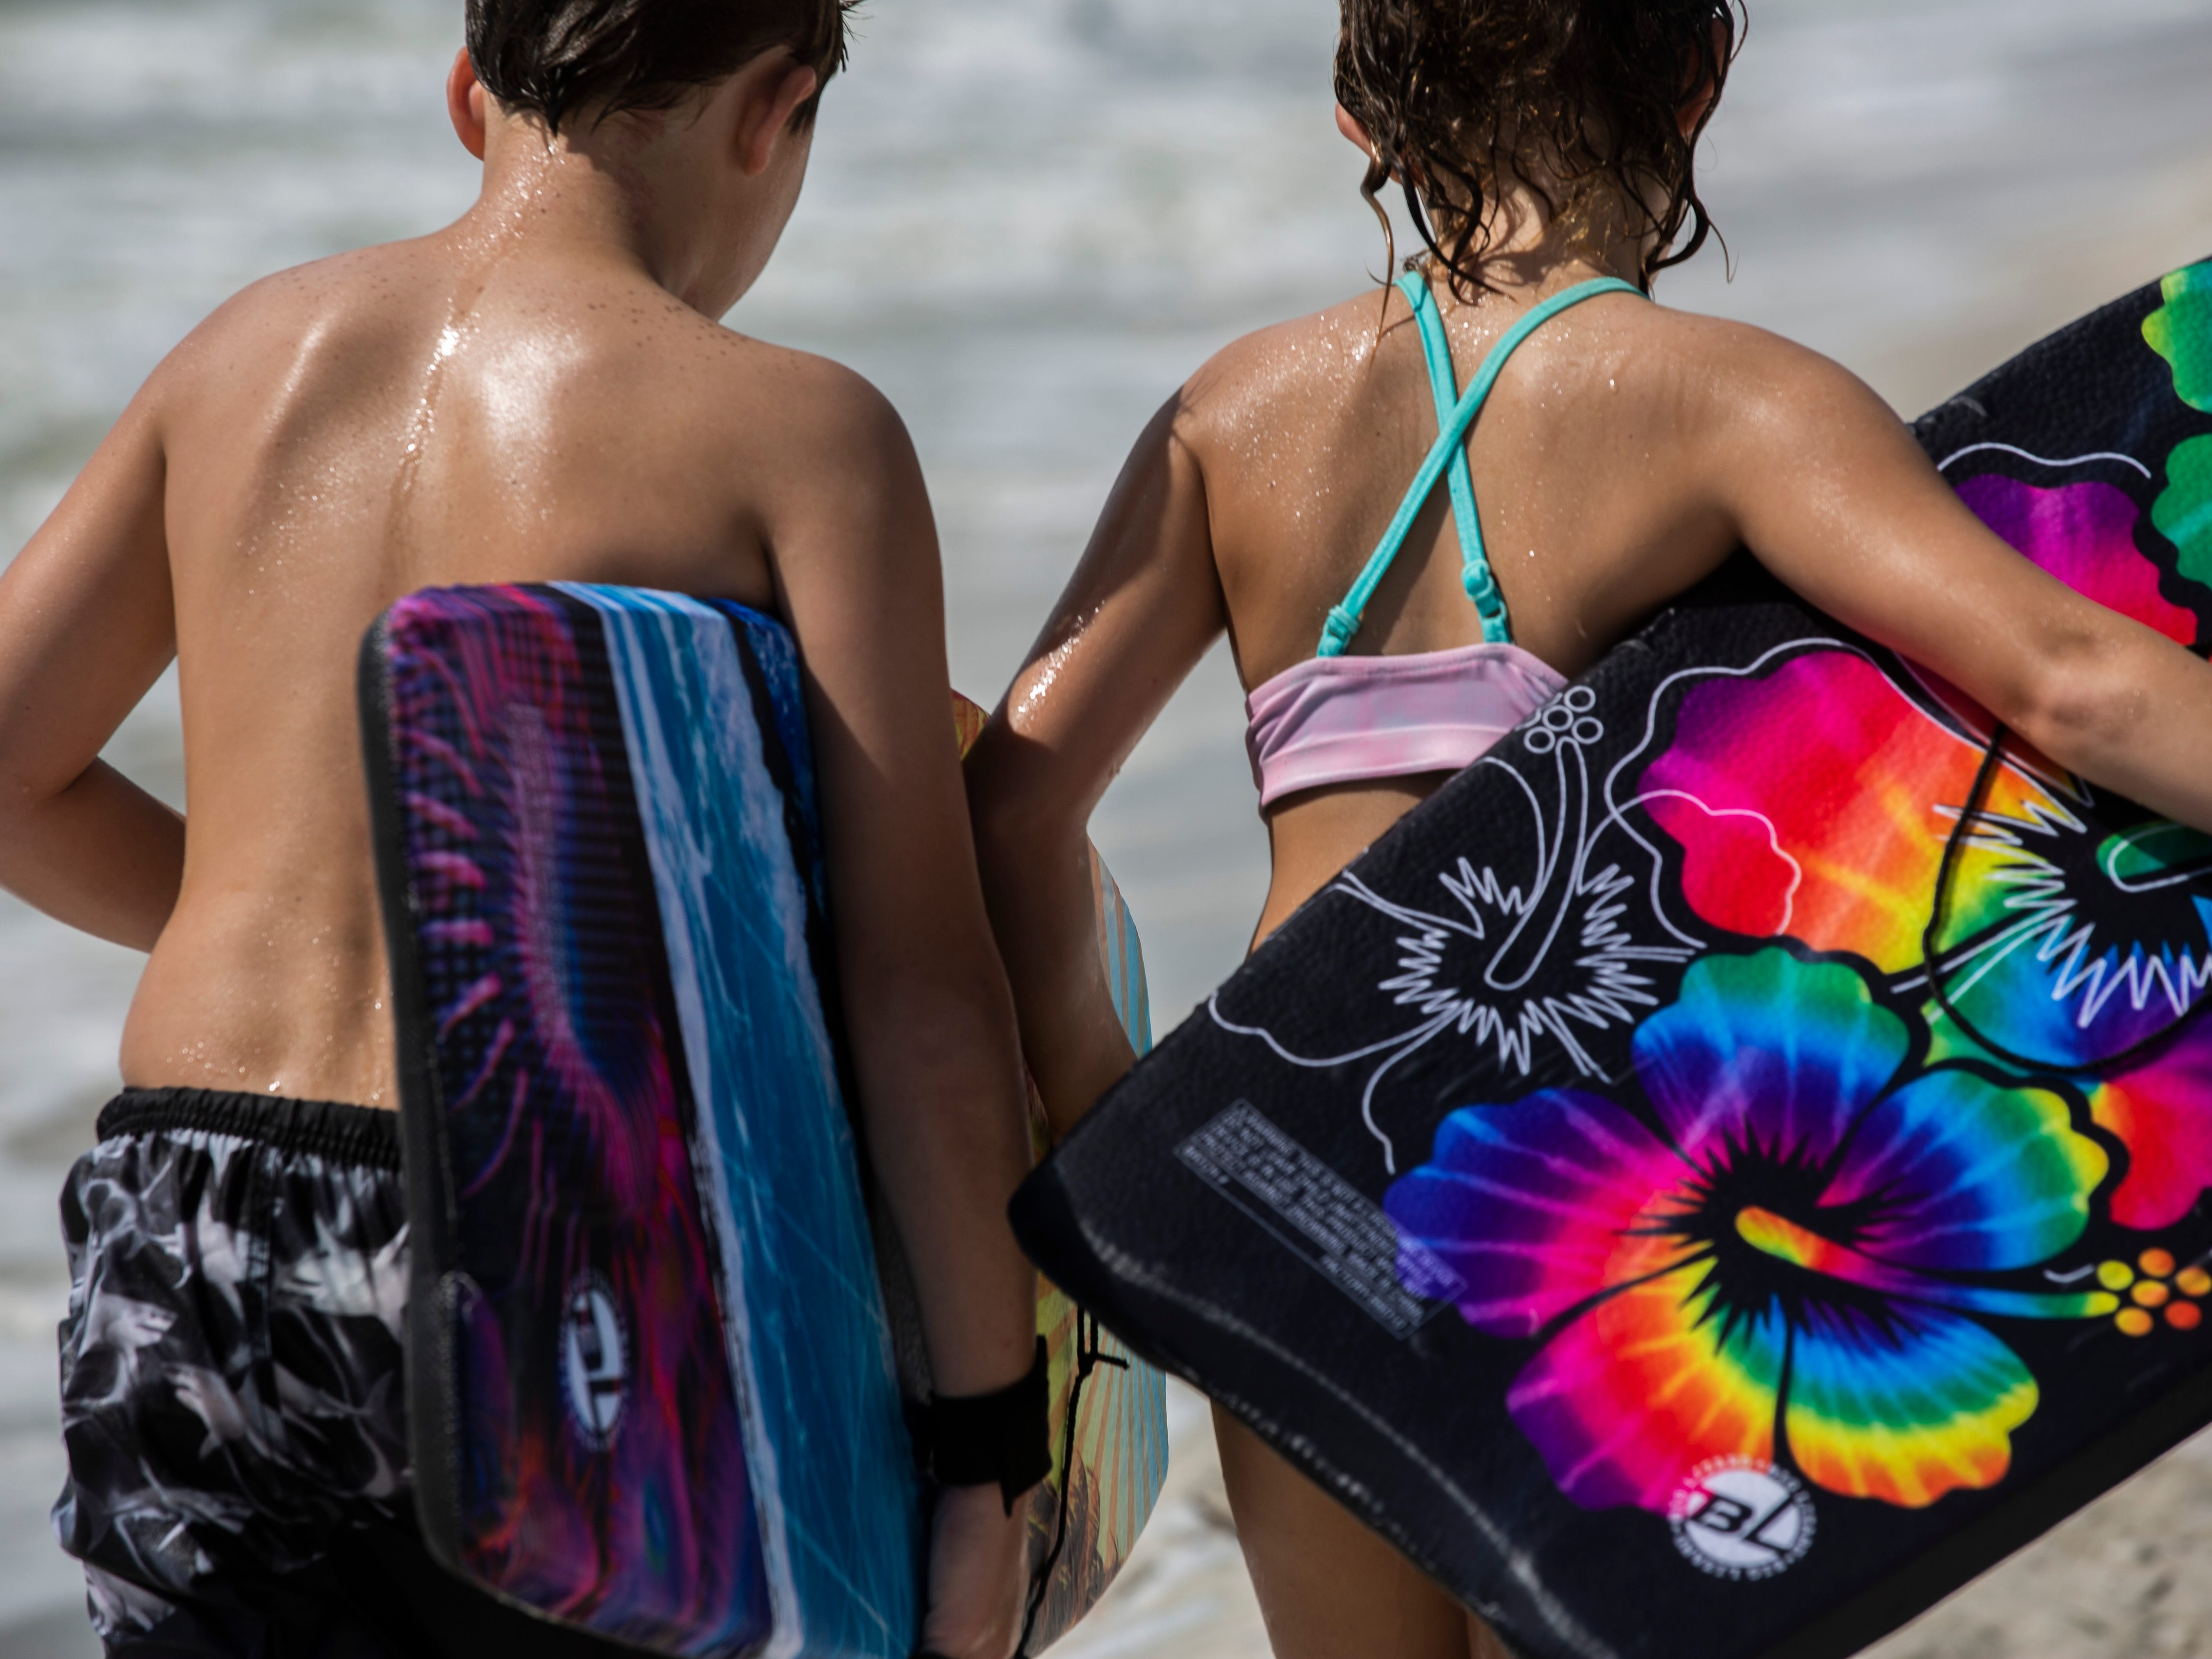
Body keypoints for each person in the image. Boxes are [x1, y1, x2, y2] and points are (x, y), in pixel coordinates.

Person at [963, 2, 2212, 1656]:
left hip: (1272, 1149)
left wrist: (1118, 1118)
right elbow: (2069, 681)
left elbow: (1015, 811)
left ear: (1359, 118)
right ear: (1695, 76)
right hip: (1570, 1185)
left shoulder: (1231, 413)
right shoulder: (1725, 402)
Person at [0, 2, 1045, 1654]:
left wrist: (265, 912)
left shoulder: (242, 355)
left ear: (470, 91)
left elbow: (7, 764)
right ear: (777, 110)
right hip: (542, 1222)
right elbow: (922, 994)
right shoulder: (801, 435)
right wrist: (996, 1451)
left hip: (182, 1211)